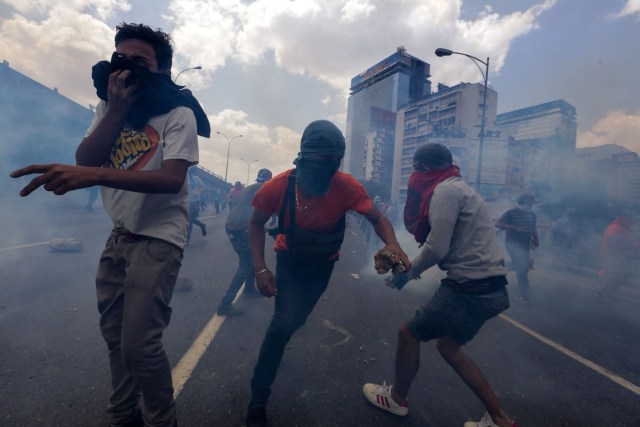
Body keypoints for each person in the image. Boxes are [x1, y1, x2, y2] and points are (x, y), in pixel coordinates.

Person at [11, 22, 210, 427]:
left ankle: (160, 419)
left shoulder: (178, 113)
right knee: (117, 341)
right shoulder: (109, 108)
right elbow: (86, 159)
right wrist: (116, 111)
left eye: (140, 61)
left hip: (159, 240)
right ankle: (123, 415)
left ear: (160, 71)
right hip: (118, 236)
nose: (125, 70)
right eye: (120, 59)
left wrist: (99, 176)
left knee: (139, 347)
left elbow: (172, 179)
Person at [245, 120, 411, 427]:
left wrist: (392, 242)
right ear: (304, 157)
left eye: (334, 162)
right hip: (289, 260)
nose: (328, 169)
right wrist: (259, 267)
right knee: (281, 324)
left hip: (324, 264)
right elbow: (255, 224)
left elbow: (377, 217)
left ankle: (280, 343)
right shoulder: (278, 186)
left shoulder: (346, 185)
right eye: (322, 162)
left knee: (297, 319)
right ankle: (258, 396)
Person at [362, 143, 516, 427]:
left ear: (424, 168)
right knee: (449, 348)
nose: (414, 176)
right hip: (492, 289)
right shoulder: (462, 189)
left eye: (416, 169)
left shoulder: (445, 191)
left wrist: (405, 275)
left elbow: (437, 248)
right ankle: (500, 420)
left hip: (469, 288)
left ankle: (396, 399)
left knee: (408, 334)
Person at [217, 168, 273, 316]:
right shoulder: (265, 188)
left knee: (253, 258)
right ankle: (225, 304)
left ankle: (249, 289)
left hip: (231, 227)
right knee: (246, 264)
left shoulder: (247, 188)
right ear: (269, 179)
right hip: (242, 229)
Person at [495, 194, 539, 304]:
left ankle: (496, 268)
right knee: (522, 268)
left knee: (521, 266)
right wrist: (515, 228)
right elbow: (498, 224)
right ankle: (523, 294)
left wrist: (535, 238)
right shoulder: (511, 213)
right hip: (513, 245)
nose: (530, 206)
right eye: (529, 203)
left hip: (525, 246)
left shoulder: (532, 215)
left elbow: (533, 227)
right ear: (522, 203)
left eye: (532, 204)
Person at [597, 212, 638, 298]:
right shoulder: (614, 227)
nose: (633, 220)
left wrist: (634, 246)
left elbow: (629, 243)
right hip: (610, 252)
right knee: (616, 272)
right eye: (630, 218)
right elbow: (613, 241)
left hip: (621, 253)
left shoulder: (629, 229)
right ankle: (603, 291)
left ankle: (608, 287)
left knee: (624, 272)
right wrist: (630, 247)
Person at [186, 167, 206, 243]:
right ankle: (202, 225)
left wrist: (198, 191)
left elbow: (203, 187)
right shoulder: (185, 178)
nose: (190, 173)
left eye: (192, 171)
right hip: (187, 201)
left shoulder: (196, 179)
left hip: (195, 201)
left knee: (190, 219)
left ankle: (187, 238)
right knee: (189, 218)